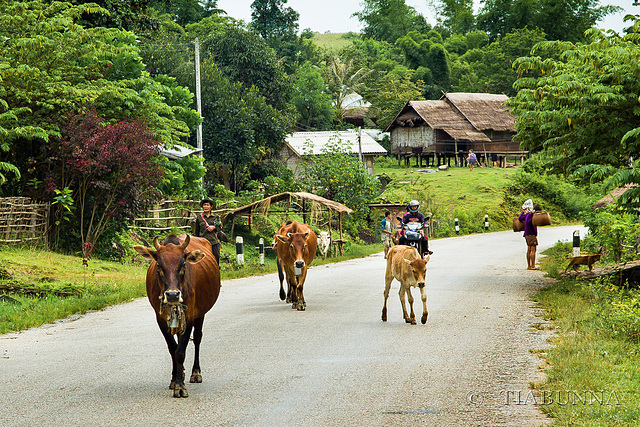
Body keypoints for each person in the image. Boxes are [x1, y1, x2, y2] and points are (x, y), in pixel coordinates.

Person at [194, 197, 222, 265]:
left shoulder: (215, 217)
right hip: (202, 243)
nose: (206, 206)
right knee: (202, 261)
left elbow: (220, 227)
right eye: (204, 205)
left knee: (216, 260)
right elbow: (197, 231)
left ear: (211, 207)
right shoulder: (199, 217)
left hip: (213, 242)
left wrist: (214, 227)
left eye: (207, 205)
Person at [518, 199, 541, 270]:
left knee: (529, 250)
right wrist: (532, 214)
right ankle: (533, 266)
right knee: (533, 249)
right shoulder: (531, 215)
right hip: (531, 234)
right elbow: (529, 222)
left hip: (527, 234)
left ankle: (529, 266)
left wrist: (523, 212)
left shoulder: (527, 215)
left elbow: (520, 218)